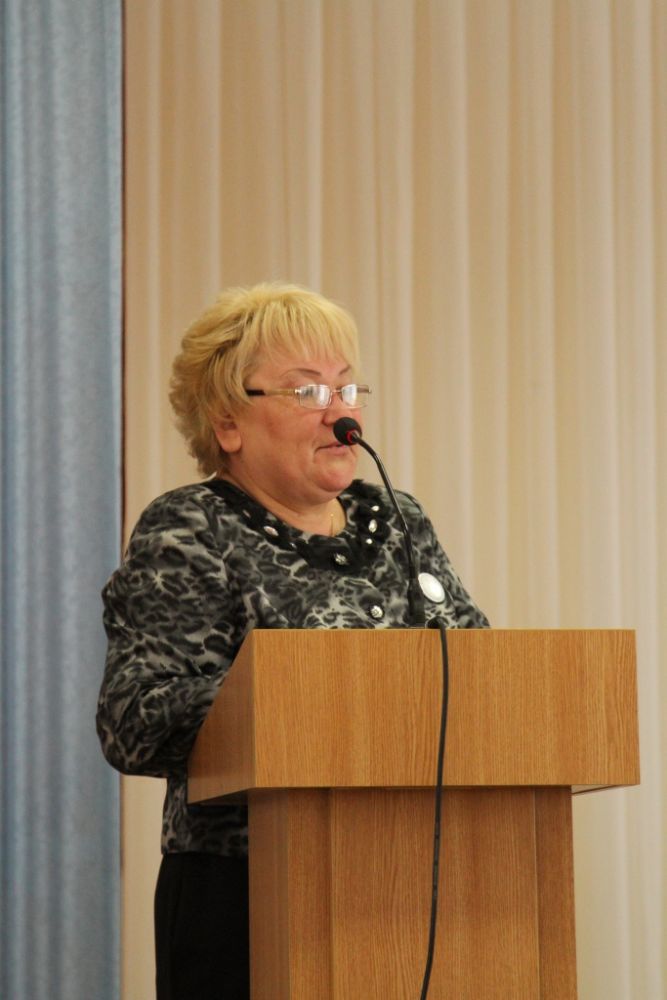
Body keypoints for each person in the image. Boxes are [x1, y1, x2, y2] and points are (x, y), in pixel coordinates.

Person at [96, 282, 488, 1000]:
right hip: (247, 896)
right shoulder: (192, 528)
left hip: (416, 881)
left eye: (346, 387)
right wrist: (310, 690)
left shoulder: (398, 520)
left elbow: (476, 672)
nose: (340, 412)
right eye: (307, 392)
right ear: (228, 423)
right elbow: (135, 721)